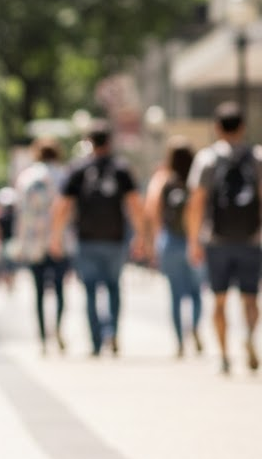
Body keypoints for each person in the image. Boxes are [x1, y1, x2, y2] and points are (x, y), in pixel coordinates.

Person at [50, 120, 146, 356]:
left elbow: (62, 206)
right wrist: (142, 235)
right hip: (115, 238)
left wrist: (56, 236)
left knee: (91, 291)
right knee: (114, 288)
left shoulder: (78, 169)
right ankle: (111, 332)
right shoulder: (122, 168)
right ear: (110, 142)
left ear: (88, 142)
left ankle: (95, 340)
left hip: (86, 239)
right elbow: (134, 205)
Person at [185, 102, 262, 374]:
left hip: (216, 240)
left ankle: (225, 354)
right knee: (251, 298)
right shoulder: (257, 157)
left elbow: (196, 203)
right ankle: (250, 337)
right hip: (252, 239)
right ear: (243, 126)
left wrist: (194, 240)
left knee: (218, 299)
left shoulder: (206, 159)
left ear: (217, 127)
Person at [144, 137, 203, 358]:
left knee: (175, 295)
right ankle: (195, 326)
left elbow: (152, 209)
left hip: (169, 241)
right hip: (194, 240)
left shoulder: (164, 180)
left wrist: (154, 240)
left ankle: (179, 341)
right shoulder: (198, 180)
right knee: (197, 292)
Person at [12, 138, 71, 353]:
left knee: (37, 291)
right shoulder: (64, 175)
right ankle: (57, 328)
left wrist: (20, 243)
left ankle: (42, 337)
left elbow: (22, 214)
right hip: (60, 240)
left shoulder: (27, 177)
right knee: (59, 290)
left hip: (34, 242)